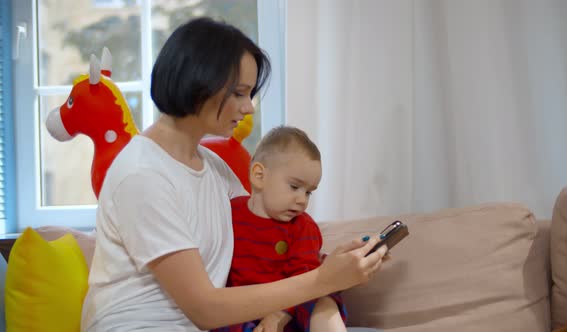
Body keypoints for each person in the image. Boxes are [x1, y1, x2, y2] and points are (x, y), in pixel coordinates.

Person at [81, 17, 388, 332]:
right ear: (200, 83)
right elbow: (204, 308)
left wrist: (337, 267)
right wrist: (322, 280)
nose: (250, 108)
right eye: (240, 93)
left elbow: (264, 238)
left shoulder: (213, 167)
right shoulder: (142, 175)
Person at [217, 126, 347, 332]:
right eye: (295, 187)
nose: (302, 200)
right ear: (259, 176)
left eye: (309, 192)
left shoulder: (303, 226)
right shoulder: (228, 213)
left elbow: (306, 279)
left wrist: (280, 315)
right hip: (242, 306)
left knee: (323, 299)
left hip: (291, 307)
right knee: (221, 316)